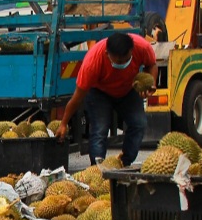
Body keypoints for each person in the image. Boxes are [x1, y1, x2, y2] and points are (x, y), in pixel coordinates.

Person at [52, 31, 158, 166]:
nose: (123, 64)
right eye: (118, 61)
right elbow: (77, 98)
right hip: (99, 93)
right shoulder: (92, 62)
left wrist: (151, 84)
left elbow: (152, 65)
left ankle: (125, 163)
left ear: (132, 50)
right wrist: (63, 123)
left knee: (139, 124)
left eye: (126, 59)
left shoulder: (142, 47)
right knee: (100, 130)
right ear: (107, 54)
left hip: (128, 90)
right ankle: (97, 169)